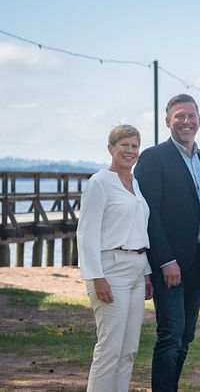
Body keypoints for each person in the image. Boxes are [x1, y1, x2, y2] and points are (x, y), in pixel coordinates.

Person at [134, 93, 200, 391]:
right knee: (170, 334)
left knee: (187, 335)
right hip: (169, 262)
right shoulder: (153, 158)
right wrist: (165, 260)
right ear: (168, 121)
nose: (186, 121)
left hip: (198, 260)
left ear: (199, 120)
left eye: (191, 116)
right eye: (179, 116)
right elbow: (149, 213)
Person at [77, 124, 153, 391]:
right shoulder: (100, 182)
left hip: (135, 268)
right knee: (110, 348)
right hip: (110, 269)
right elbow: (86, 234)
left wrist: (145, 271)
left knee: (129, 349)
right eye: (124, 145)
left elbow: (138, 230)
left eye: (134, 145)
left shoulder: (135, 183)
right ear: (111, 148)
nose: (130, 150)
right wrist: (96, 276)